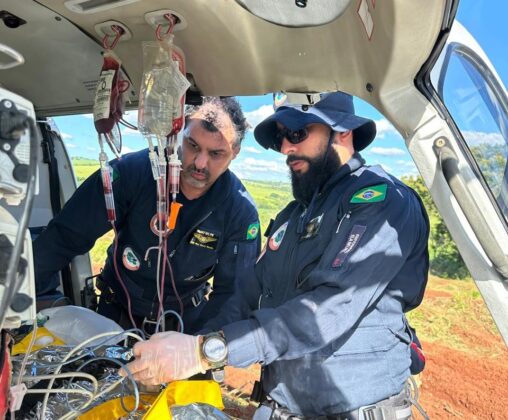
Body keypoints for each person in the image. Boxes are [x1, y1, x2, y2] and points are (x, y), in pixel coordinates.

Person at [122, 91, 430, 419]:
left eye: (297, 133)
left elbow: (330, 310)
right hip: (279, 408)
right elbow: (245, 295)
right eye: (282, 136)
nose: (285, 148)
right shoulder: (294, 217)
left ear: (342, 131)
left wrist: (205, 352)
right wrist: (183, 347)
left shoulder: (382, 202)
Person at [33, 97, 260, 334]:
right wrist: (28, 295)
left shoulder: (240, 212)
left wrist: (199, 348)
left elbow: (234, 297)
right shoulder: (131, 173)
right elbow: (65, 235)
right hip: (116, 314)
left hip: (184, 325)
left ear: (235, 153)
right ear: (178, 134)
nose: (200, 163)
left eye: (216, 153)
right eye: (193, 145)